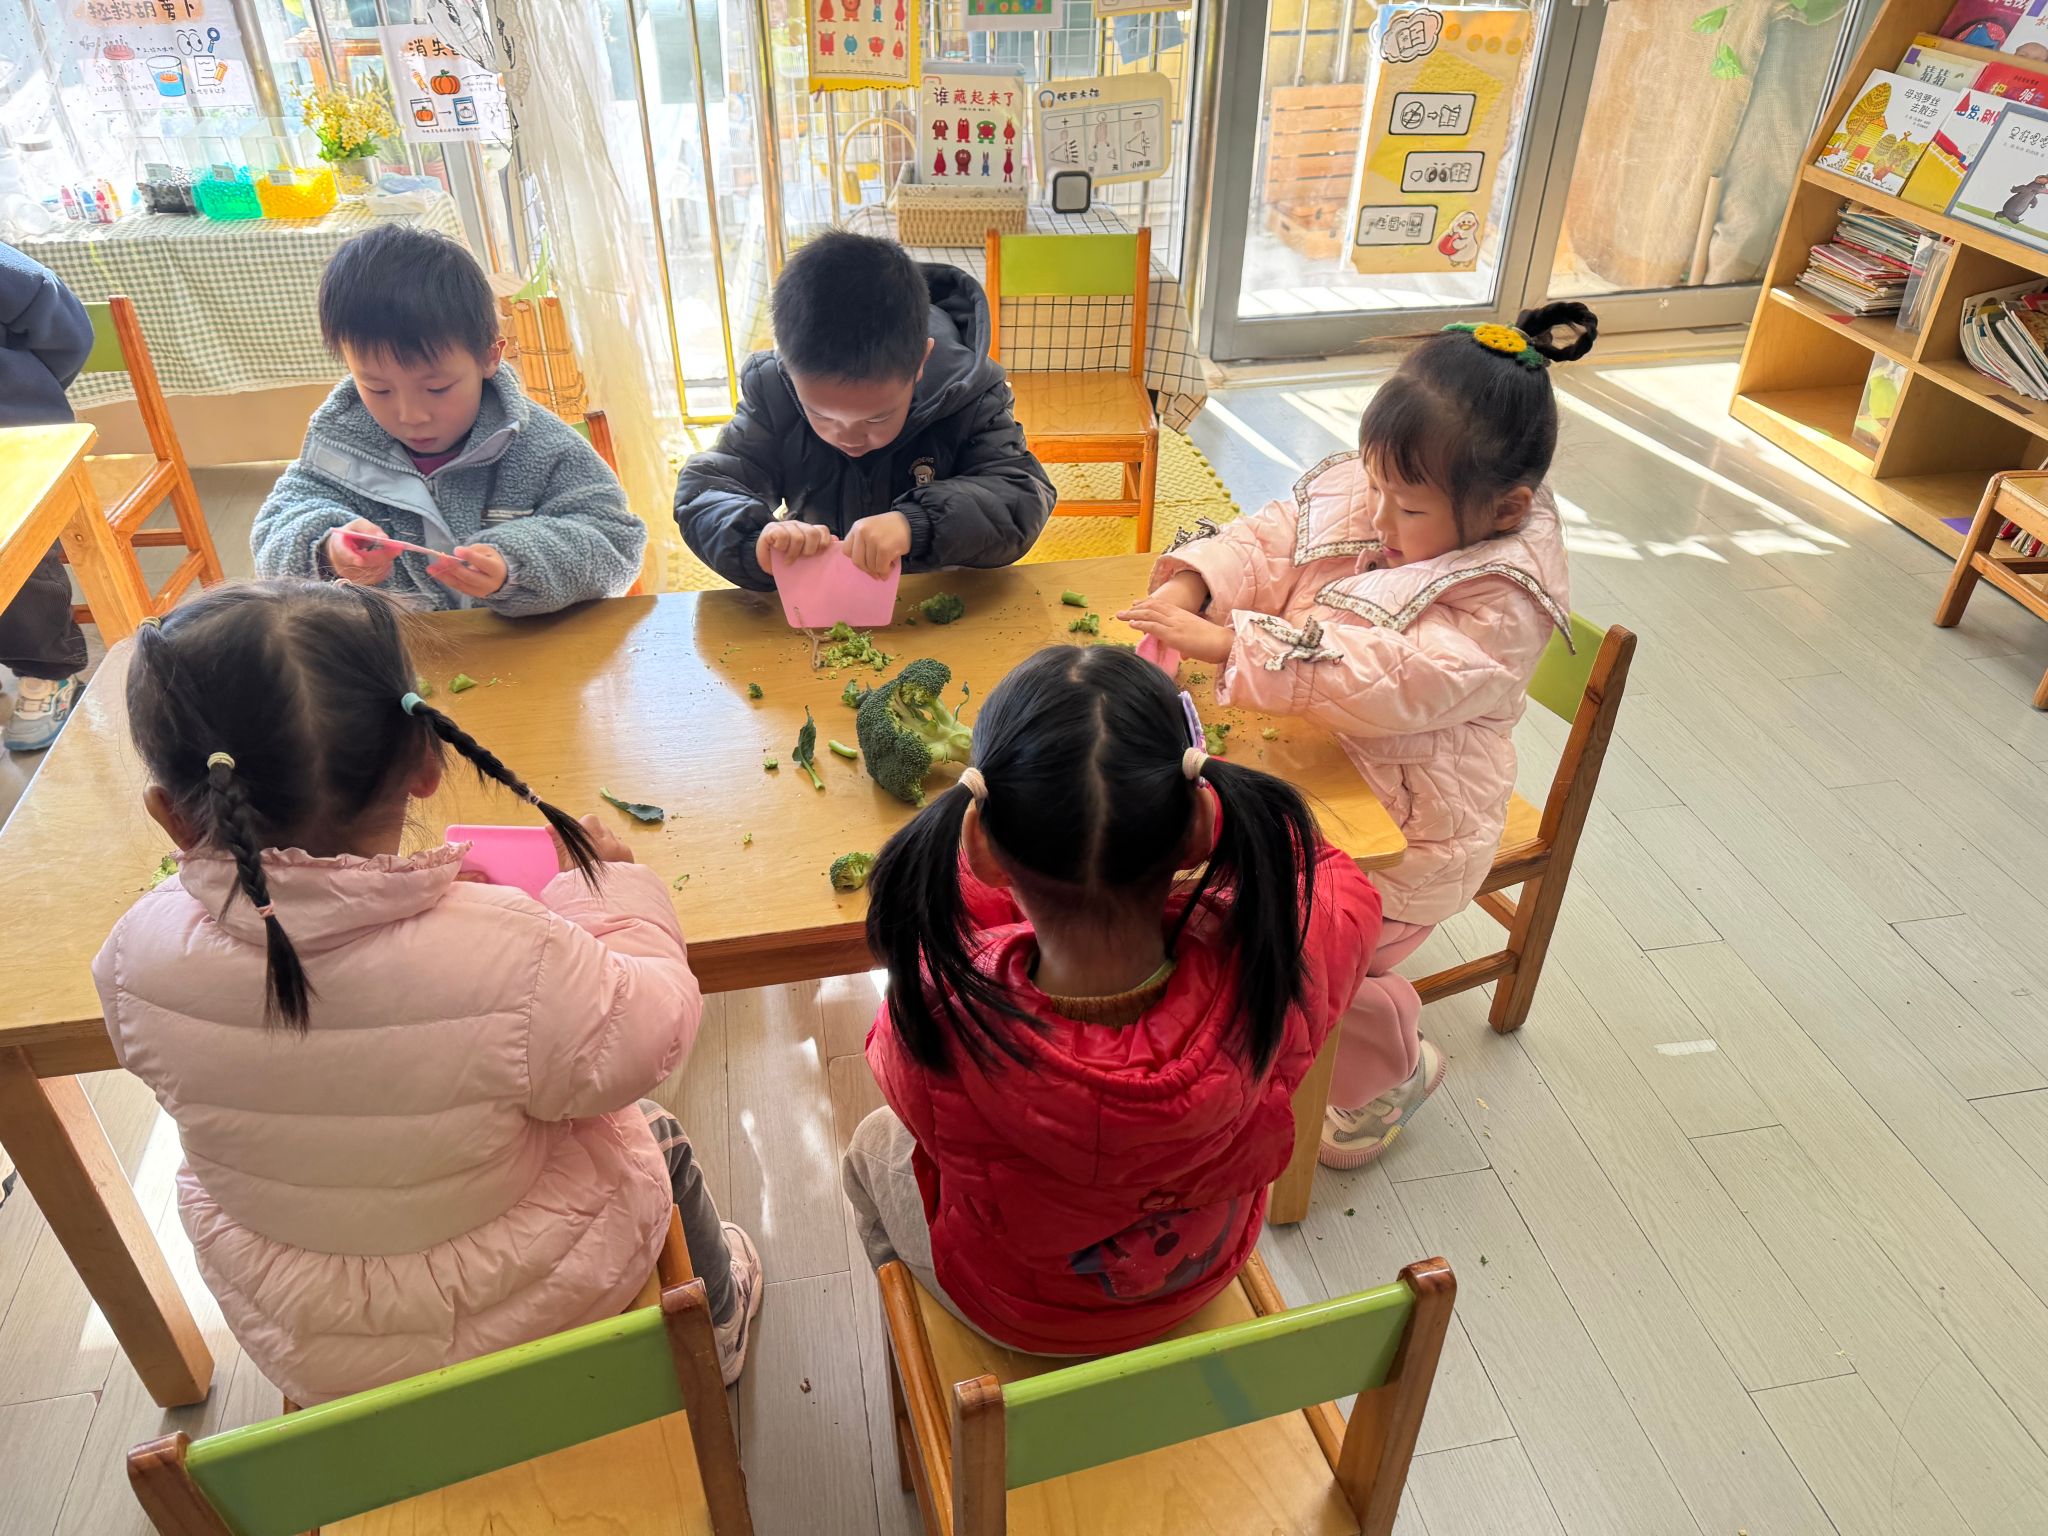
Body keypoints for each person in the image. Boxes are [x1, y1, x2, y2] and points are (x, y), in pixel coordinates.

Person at [91, 580, 760, 1406]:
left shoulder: (132, 957)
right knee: (657, 1135)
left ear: (172, 815)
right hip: (535, 1314)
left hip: (312, 1337)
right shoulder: (516, 953)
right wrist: (610, 891)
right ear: (427, 762)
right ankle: (719, 1328)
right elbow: (653, 1026)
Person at [1121, 302, 1594, 1172]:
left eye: (1405, 507)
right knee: (1184, 889)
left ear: (1505, 509)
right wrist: (1197, 585)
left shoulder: (1504, 604)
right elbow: (1272, 539)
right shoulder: (1396, 485)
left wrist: (1231, 645)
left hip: (1412, 838)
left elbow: (1395, 678)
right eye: (1374, 487)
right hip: (1320, 772)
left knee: (1274, 943)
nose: (1378, 519)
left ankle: (1390, 1065)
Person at [843, 645, 1382, 1356]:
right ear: (1196, 828)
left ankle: (919, 1338)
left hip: (1023, 1317)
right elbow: (1337, 880)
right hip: (1203, 1273)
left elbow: (919, 1068)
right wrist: (1204, 803)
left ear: (981, 847)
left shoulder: (941, 1010)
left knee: (870, 1146)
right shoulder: (1278, 962)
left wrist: (1006, 872)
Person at [251, 225, 645, 616]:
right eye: (378, 389)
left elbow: (615, 544)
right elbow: (275, 531)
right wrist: (327, 550)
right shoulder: (340, 443)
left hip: (523, 649)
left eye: (437, 388)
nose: (411, 415)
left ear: (490, 356)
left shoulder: (544, 448)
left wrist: (515, 565)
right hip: (390, 649)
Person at [674, 229, 1055, 592]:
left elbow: (1021, 493)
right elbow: (707, 487)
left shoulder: (971, 396)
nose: (849, 436)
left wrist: (916, 523)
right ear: (788, 368)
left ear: (920, 362)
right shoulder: (774, 391)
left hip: (932, 593)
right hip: (820, 596)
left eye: (877, 417)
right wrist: (756, 539)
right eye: (821, 415)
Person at [0, 241, 93, 753]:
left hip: (14, 433)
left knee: (21, 550)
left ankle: (47, 669)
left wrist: (31, 391)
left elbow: (67, 330)